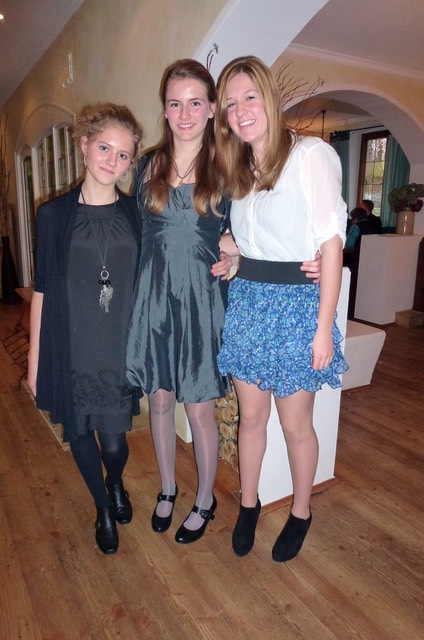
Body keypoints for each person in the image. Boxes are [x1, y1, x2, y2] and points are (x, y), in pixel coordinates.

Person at [126, 59, 321, 545]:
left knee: (198, 409)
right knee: (160, 400)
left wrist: (312, 255)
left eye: (195, 102)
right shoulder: (147, 166)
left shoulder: (229, 167)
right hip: (154, 300)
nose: (185, 113)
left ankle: (205, 500)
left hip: (202, 304)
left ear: (212, 109)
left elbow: (255, 232)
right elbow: (131, 234)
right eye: (175, 103)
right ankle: (167, 488)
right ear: (164, 110)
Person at [215, 56, 348, 561]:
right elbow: (254, 241)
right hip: (249, 302)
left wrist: (324, 328)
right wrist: (232, 255)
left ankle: (300, 511)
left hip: (296, 309)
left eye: (249, 97)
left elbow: (330, 244)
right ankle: (249, 505)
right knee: (251, 419)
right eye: (231, 103)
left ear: (269, 98)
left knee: (295, 426)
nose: (240, 111)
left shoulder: (310, 154)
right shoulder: (240, 168)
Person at [27, 103, 143, 555]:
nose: (112, 161)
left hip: (118, 348)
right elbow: (41, 290)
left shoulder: (136, 214)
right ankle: (102, 506)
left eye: (123, 154)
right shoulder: (52, 216)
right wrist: (36, 361)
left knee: (113, 443)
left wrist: (232, 250)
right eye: (104, 148)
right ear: (84, 146)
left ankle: (114, 481)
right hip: (70, 345)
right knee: (78, 433)